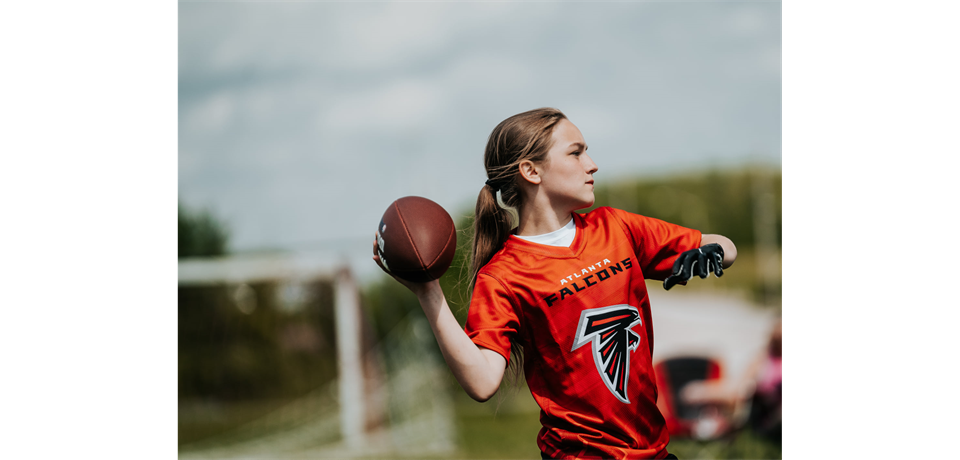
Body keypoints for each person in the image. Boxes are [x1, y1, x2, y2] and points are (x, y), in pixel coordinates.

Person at [374, 108, 736, 460]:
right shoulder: (503, 276)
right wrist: (428, 291)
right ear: (531, 171)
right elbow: (483, 383)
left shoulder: (616, 228)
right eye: (576, 153)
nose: (592, 164)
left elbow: (726, 245)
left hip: (653, 451)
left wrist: (714, 251)